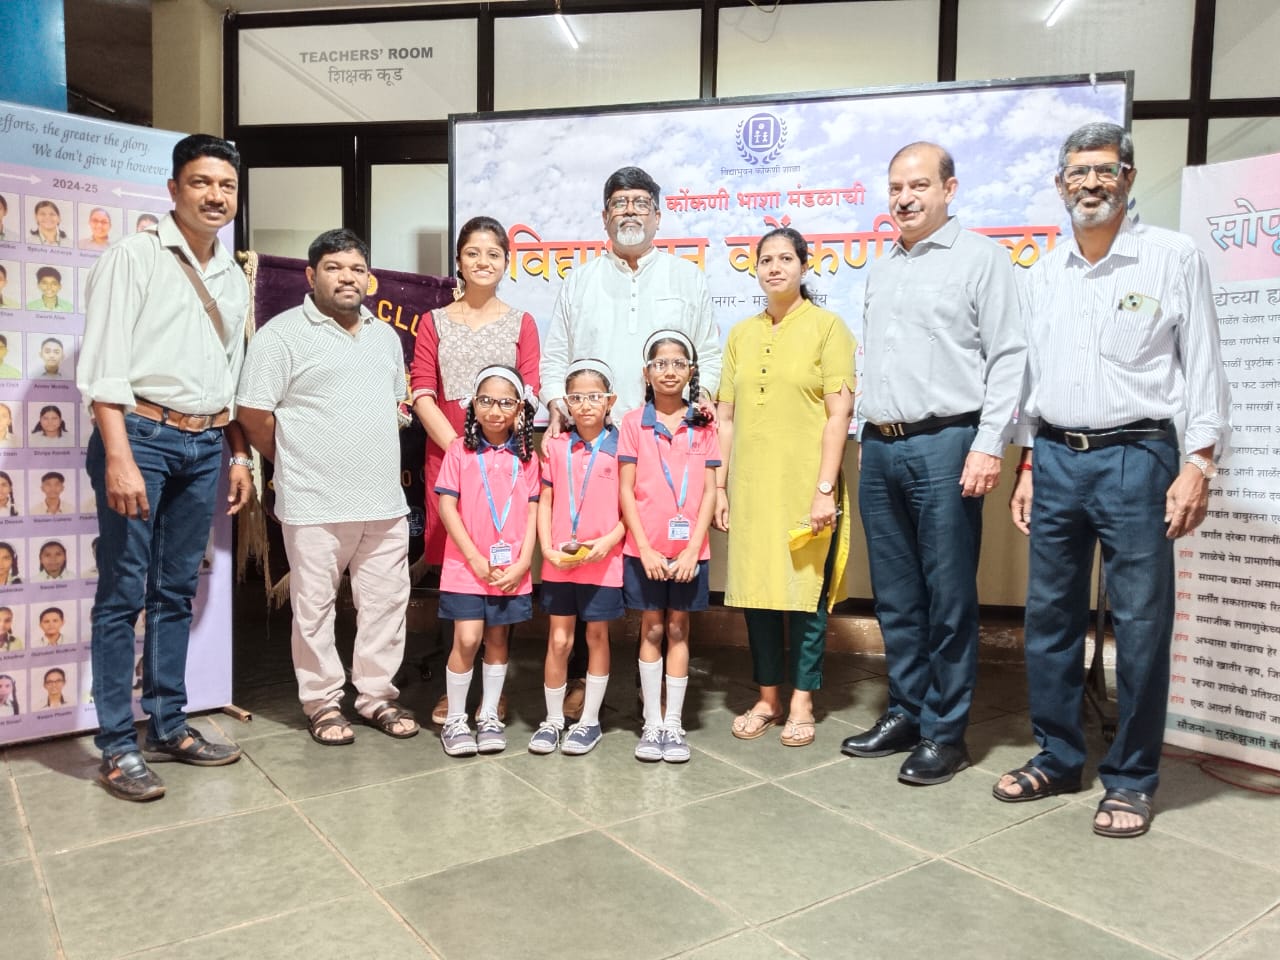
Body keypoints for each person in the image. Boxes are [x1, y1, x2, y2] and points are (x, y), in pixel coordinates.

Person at [996, 122, 1233, 838]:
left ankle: (1130, 777)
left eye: (1104, 171)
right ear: (1061, 183)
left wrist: (1200, 462)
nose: (1089, 184)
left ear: (1128, 176)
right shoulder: (1043, 273)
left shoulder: (1171, 257)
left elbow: (1204, 366)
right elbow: (1035, 378)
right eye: (1077, 173)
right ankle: (1059, 755)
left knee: (1140, 625)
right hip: (1058, 458)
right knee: (1049, 622)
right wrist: (1031, 461)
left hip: (1141, 458)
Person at [840, 142, 1026, 785]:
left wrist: (987, 443)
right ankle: (908, 712)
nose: (904, 198)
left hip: (948, 443)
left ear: (950, 189)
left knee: (947, 597)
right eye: (895, 187)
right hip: (882, 445)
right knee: (896, 598)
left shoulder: (983, 259)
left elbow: (1008, 357)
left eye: (919, 185)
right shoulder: (883, 266)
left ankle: (946, 732)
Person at [78, 133, 253, 803]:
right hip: (141, 438)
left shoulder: (233, 276)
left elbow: (230, 375)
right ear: (173, 189)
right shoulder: (134, 256)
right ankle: (119, 746)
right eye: (202, 182)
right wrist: (118, 454)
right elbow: (105, 366)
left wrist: (238, 454)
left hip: (205, 443)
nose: (215, 195)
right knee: (124, 591)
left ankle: (170, 724)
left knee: (177, 590)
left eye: (226, 186)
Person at [540, 166, 722, 712]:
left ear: (659, 215)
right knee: (586, 553)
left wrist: (705, 395)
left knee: (657, 564)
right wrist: (557, 407)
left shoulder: (687, 279)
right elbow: (555, 358)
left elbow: (708, 351)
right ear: (604, 216)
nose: (630, 211)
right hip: (595, 439)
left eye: (641, 202)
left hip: (663, 437)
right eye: (620, 203)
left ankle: (658, 700)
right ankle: (578, 683)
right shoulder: (580, 281)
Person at [237, 228, 417, 746]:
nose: (347, 277)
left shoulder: (385, 337)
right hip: (314, 501)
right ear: (311, 275)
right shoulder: (282, 334)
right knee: (314, 608)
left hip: (383, 500)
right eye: (335, 268)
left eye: (356, 269)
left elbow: (393, 408)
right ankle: (321, 703)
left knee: (385, 603)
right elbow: (252, 415)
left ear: (369, 278)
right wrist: (295, 462)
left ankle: (377, 695)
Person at [716, 227, 855, 748]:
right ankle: (768, 697)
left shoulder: (827, 328)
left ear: (803, 265)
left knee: (803, 596)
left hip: (805, 486)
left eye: (785, 259)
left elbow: (839, 413)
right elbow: (726, 419)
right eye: (765, 260)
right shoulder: (740, 335)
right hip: (752, 488)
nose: (775, 268)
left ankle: (802, 701)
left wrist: (824, 489)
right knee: (758, 595)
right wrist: (721, 486)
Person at [410, 215, 539, 725]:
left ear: (506, 263)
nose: (483, 262)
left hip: (509, 461)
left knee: (500, 563)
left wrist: (493, 444)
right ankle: (454, 689)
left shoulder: (521, 322)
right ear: (458, 261)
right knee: (458, 564)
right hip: (450, 458)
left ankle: (496, 693)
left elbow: (528, 391)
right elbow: (421, 389)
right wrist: (463, 448)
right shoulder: (434, 322)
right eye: (473, 253)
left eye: (494, 254)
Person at [619, 331, 720, 763]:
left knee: (679, 627)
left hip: (688, 553)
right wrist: (643, 547)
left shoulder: (704, 423)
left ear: (691, 372)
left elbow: (711, 491)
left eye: (679, 363)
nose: (669, 371)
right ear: (646, 373)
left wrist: (693, 548)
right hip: (645, 549)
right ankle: (651, 721)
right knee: (652, 627)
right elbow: (625, 492)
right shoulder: (631, 423)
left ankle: (674, 722)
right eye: (660, 364)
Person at [434, 366, 540, 757]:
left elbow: (532, 513)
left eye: (506, 402)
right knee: (467, 638)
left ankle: (490, 714)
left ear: (520, 408)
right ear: (473, 405)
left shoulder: (528, 457)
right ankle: (456, 717)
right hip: (467, 566)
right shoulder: (459, 450)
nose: (496, 410)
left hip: (510, 568)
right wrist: (476, 558)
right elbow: (447, 505)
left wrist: (523, 561)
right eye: (487, 400)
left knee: (498, 640)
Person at [531, 359, 625, 757]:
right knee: (558, 639)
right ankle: (553, 720)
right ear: (565, 402)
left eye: (594, 397)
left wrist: (610, 540)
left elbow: (633, 503)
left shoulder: (623, 446)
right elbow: (546, 500)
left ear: (610, 401)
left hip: (605, 559)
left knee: (597, 636)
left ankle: (589, 721)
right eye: (576, 397)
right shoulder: (554, 445)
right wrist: (546, 550)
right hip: (560, 561)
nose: (585, 405)